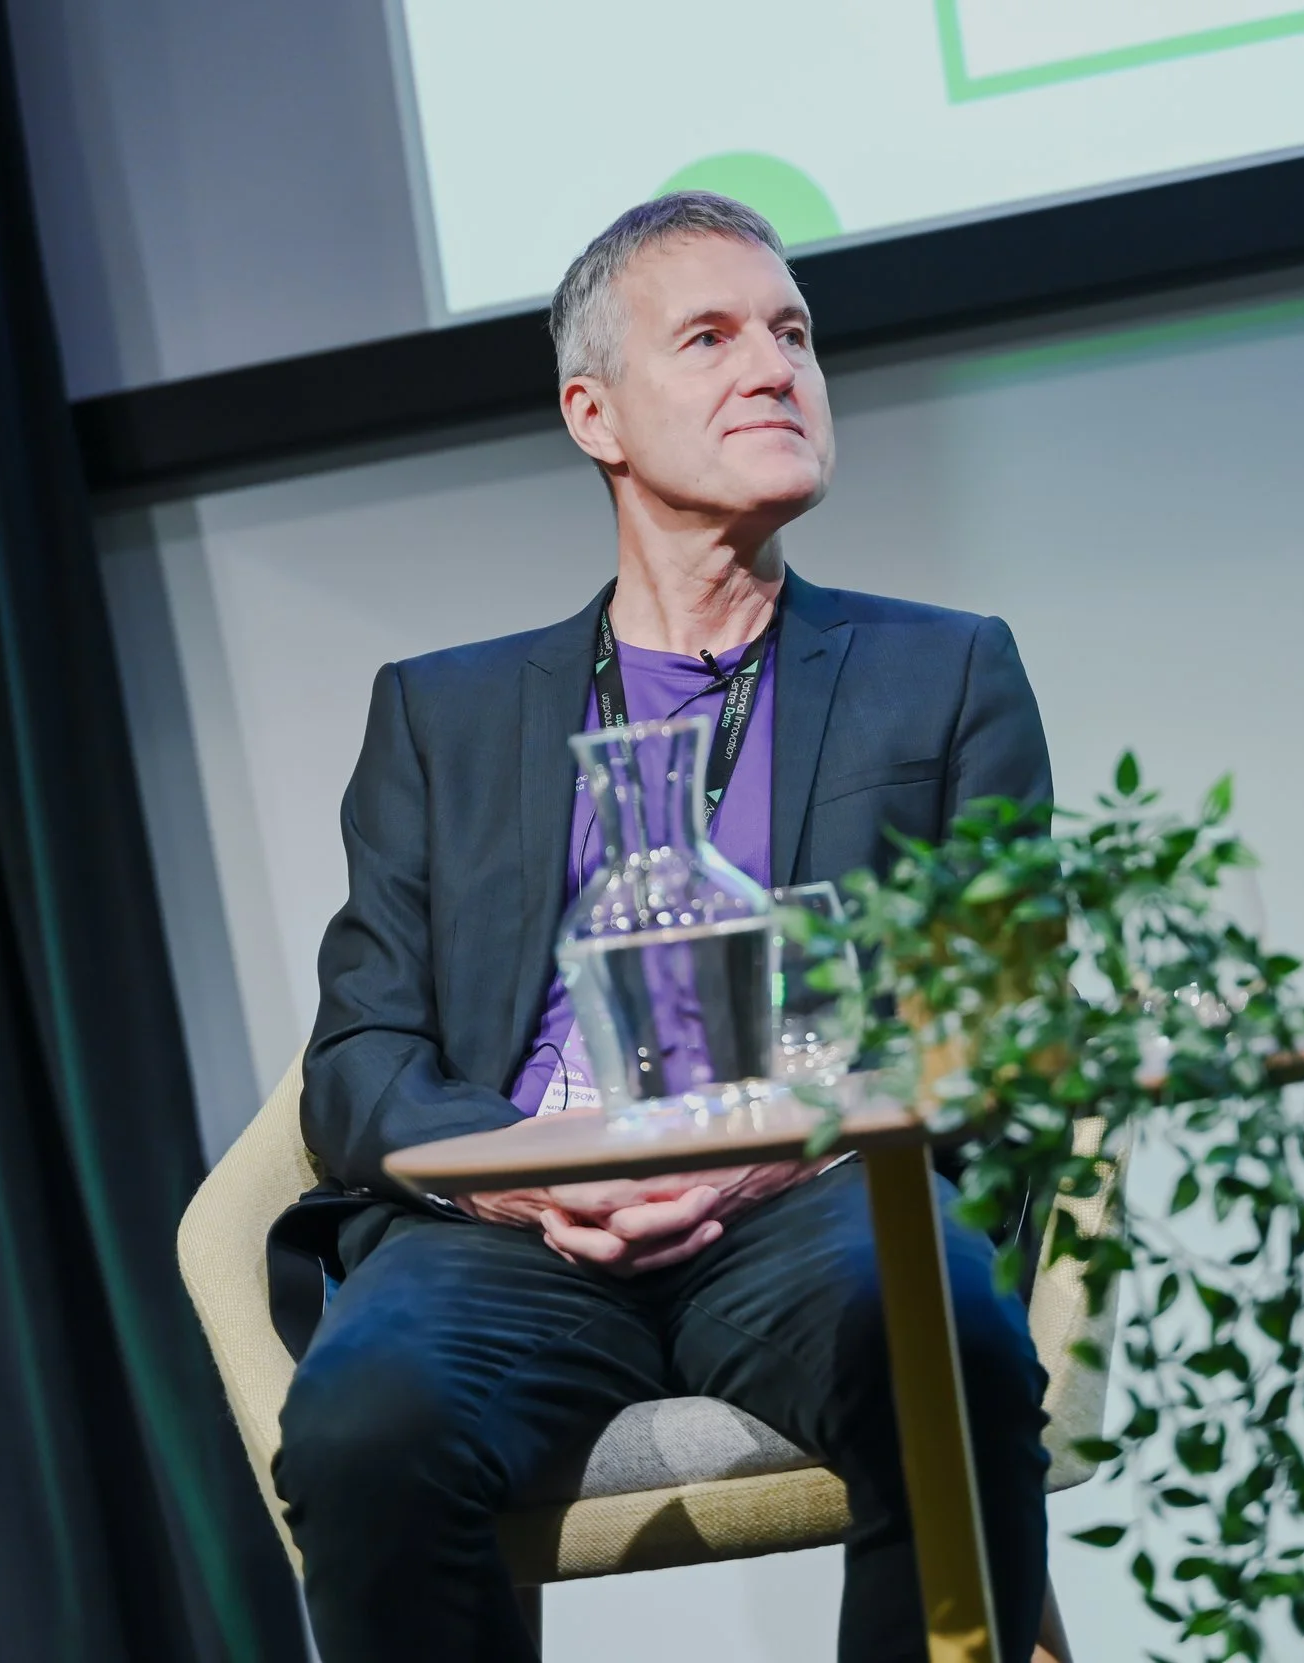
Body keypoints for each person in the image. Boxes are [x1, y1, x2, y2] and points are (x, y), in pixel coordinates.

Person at [265, 193, 1056, 1662]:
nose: (776, 367)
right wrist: (531, 1182)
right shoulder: (444, 714)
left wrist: (774, 1137)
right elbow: (361, 1054)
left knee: (941, 1334)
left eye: (794, 333)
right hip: (523, 1222)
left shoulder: (941, 673)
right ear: (595, 413)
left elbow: (1005, 1006)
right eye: (711, 336)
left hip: (816, 1192)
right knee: (368, 1423)